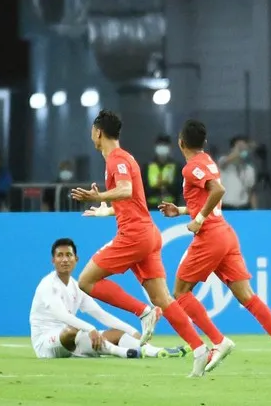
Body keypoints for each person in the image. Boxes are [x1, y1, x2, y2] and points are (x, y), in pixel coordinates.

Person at [71, 109, 210, 377]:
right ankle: (199, 349)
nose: (92, 135)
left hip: (135, 235)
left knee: (86, 281)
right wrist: (107, 209)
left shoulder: (117, 159)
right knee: (164, 299)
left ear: (98, 132)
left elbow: (126, 191)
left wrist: (93, 198)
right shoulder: (124, 159)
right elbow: (133, 202)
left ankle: (144, 312)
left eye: (92, 131)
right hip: (146, 233)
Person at [158, 119, 271, 378]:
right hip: (225, 233)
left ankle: (218, 340)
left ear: (181, 142)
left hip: (210, 235)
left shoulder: (191, 168)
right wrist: (179, 210)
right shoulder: (208, 161)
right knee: (247, 296)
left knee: (180, 291)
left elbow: (218, 191)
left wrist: (198, 219)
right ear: (204, 142)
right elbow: (207, 199)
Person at [30, 238, 190, 359]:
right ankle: (125, 353)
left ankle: (155, 351)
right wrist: (91, 329)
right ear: (53, 260)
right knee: (71, 330)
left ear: (76, 260)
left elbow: (101, 314)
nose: (65, 260)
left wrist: (132, 331)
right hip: (46, 343)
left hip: (72, 340)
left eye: (69, 255)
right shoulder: (48, 285)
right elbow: (61, 316)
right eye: (60, 256)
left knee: (117, 334)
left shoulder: (76, 286)